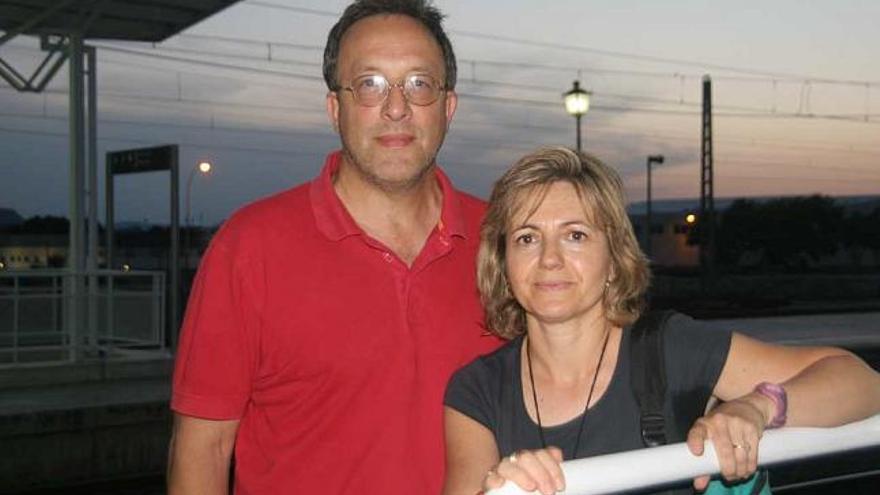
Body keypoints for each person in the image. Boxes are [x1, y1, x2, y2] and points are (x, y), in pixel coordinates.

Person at [166, 1, 501, 493]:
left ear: (447, 107)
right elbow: (202, 450)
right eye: (369, 84)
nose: (395, 107)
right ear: (335, 108)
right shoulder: (250, 247)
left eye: (418, 84)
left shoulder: (506, 240)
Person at [442, 147, 880, 495]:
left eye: (575, 235)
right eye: (527, 238)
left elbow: (862, 383)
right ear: (503, 263)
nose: (550, 259)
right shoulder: (477, 391)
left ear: (614, 257)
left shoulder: (668, 349)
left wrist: (756, 407)